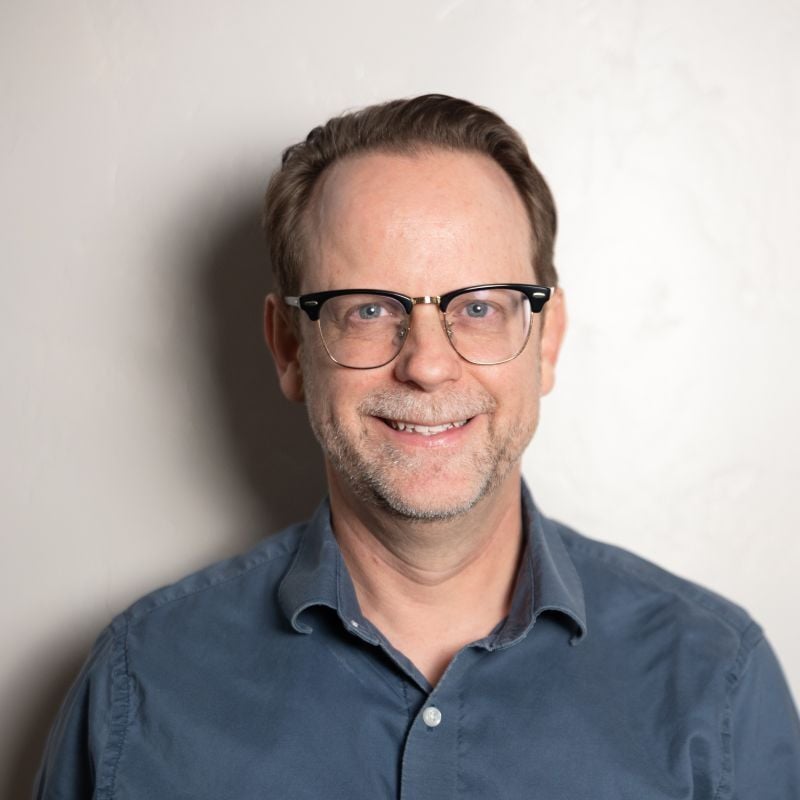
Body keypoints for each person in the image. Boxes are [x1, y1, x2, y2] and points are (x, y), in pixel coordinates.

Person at [35, 95, 799, 799]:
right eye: (368, 308)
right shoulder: (144, 684)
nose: (428, 364)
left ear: (547, 340)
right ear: (289, 348)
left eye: (478, 306)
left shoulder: (713, 682)